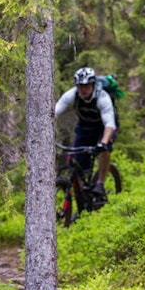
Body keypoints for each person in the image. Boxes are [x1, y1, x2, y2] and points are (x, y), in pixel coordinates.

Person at [54, 66, 117, 196]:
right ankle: (83, 193)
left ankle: (100, 183)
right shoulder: (72, 95)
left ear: (93, 84)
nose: (83, 89)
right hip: (85, 126)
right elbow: (55, 111)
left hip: (103, 127)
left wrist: (103, 143)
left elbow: (109, 124)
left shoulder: (102, 97)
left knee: (104, 149)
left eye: (86, 86)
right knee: (79, 158)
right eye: (80, 86)